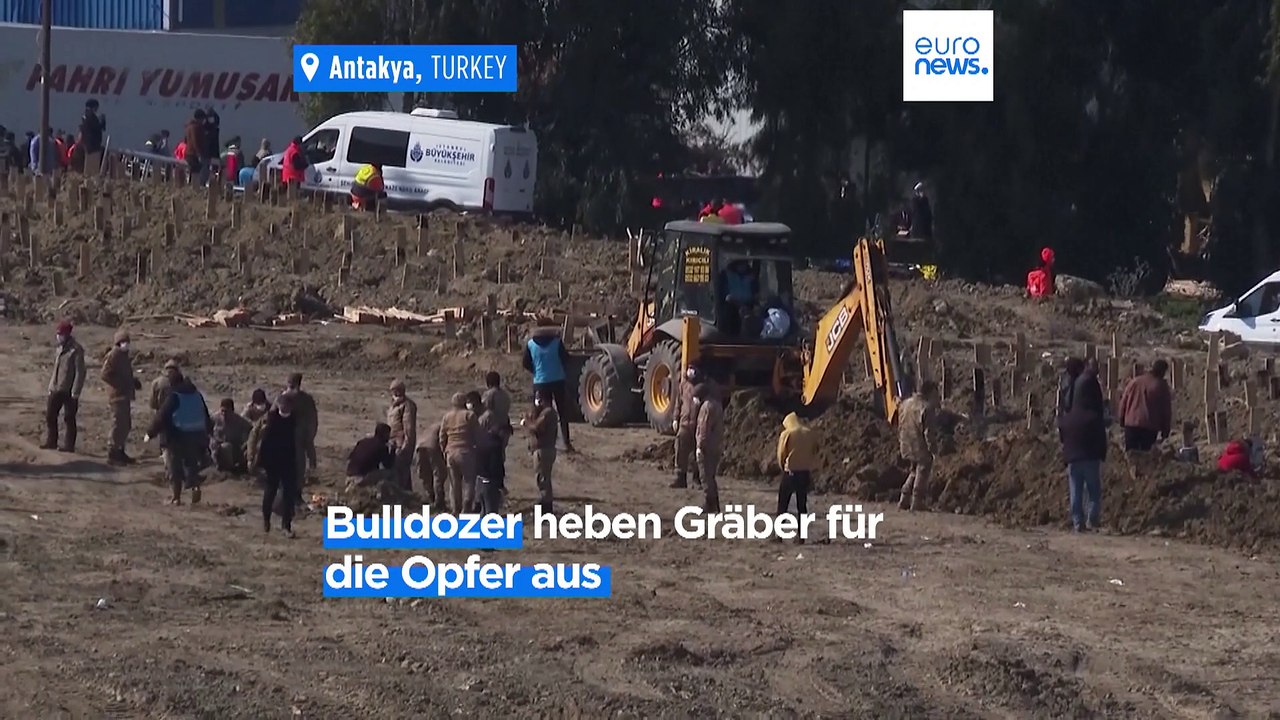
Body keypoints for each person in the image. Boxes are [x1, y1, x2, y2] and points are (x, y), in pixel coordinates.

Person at [145, 364, 213, 505]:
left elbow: (162, 416)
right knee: (191, 464)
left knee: (174, 466)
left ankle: (176, 497)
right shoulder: (196, 394)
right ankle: (195, 488)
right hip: (196, 435)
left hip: (177, 436)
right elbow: (205, 414)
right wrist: (208, 432)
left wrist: (150, 433)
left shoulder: (174, 396)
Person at [1057, 357, 1107, 532]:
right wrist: (1102, 452)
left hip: (1072, 458)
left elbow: (1062, 434)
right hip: (1090, 457)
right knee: (1093, 491)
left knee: (1075, 491)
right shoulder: (1093, 417)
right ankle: (1092, 520)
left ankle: (1078, 522)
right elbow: (1101, 436)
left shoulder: (1069, 417)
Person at [522, 325, 575, 453]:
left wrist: (535, 371)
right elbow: (566, 359)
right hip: (558, 381)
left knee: (539, 414)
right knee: (562, 413)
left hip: (540, 383)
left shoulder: (530, 345)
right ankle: (566, 443)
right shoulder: (557, 343)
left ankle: (538, 443)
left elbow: (525, 363)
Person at [256, 392, 299, 537]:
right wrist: (262, 462)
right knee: (270, 492)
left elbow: (298, 442)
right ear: (279, 405)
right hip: (273, 461)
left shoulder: (294, 419)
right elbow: (265, 442)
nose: (285, 407)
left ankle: (286, 526)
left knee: (289, 494)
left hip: (288, 460)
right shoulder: (272, 418)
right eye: (283, 405)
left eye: (288, 405)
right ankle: (266, 520)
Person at [100, 329, 142, 465]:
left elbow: (123, 374)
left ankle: (120, 450)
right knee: (118, 424)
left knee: (125, 424)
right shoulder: (114, 355)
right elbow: (105, 374)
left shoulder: (124, 356)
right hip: (117, 396)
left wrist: (132, 381)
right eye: (123, 342)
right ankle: (113, 453)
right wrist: (120, 384)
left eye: (127, 342)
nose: (126, 344)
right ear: (117, 343)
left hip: (124, 395)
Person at [43, 321, 87, 452]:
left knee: (69, 418)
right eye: (57, 334)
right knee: (50, 415)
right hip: (56, 387)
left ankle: (69, 446)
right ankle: (51, 441)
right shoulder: (59, 348)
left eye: (60, 334)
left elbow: (80, 372)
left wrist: (76, 391)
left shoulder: (76, 350)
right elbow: (56, 369)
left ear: (67, 334)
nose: (58, 336)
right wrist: (51, 386)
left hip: (69, 390)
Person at [897, 380, 940, 511]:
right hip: (918, 444)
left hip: (906, 442)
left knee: (914, 470)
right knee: (923, 468)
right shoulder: (926, 408)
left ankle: (904, 497)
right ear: (930, 393)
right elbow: (929, 432)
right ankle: (917, 500)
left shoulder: (905, 404)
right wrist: (933, 449)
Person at [776, 411, 818, 540]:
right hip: (804, 472)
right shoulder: (809, 432)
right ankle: (802, 535)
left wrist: (783, 466)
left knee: (783, 504)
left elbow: (781, 453)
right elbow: (815, 449)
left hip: (791, 472)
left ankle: (779, 534)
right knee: (802, 505)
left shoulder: (787, 434)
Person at [1117, 360, 1173, 452]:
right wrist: (1165, 432)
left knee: (1131, 456)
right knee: (1145, 459)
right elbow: (1166, 410)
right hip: (1149, 428)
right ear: (1163, 372)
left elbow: (1124, 401)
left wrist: (1121, 420)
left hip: (1131, 425)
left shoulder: (1134, 382)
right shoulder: (1161, 386)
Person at [669, 362, 709, 489]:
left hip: (698, 425)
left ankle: (697, 479)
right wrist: (675, 418)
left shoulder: (703, 387)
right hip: (684, 423)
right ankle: (680, 477)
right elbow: (678, 403)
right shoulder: (683, 386)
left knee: (698, 453)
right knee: (680, 448)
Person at [439, 393, 480, 514]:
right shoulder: (469, 415)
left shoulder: (447, 417)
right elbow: (478, 434)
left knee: (454, 484)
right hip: (466, 451)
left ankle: (455, 509)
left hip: (450, 452)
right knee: (469, 481)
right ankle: (466, 507)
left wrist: (444, 450)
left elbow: (442, 436)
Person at [524, 387, 559, 514]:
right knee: (542, 478)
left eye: (539, 398)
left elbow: (537, 427)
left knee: (543, 478)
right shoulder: (546, 412)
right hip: (544, 449)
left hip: (544, 450)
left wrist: (527, 423)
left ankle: (546, 505)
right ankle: (545, 502)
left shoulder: (548, 413)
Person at [286, 372, 319, 500]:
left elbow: (312, 420)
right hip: (289, 437)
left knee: (299, 467)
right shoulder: (284, 398)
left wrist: (309, 436)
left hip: (299, 436)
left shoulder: (305, 400)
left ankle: (296, 494)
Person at [694, 384, 726, 513]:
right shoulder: (717, 405)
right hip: (716, 445)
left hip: (707, 447)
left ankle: (710, 504)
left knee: (705, 476)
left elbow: (703, 428)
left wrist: (700, 447)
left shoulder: (706, 408)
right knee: (711, 476)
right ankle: (715, 504)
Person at [387, 379, 418, 492]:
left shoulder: (407, 405)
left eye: (398, 390)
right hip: (393, 441)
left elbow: (408, 427)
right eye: (393, 390)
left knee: (402, 470)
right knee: (397, 470)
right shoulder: (393, 405)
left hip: (402, 442)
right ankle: (406, 494)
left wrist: (406, 444)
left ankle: (405, 495)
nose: (395, 392)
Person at [211, 398, 253, 473]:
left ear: (232, 410)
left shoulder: (239, 419)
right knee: (226, 447)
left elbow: (251, 428)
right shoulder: (215, 418)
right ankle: (228, 469)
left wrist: (246, 442)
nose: (224, 413)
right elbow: (208, 430)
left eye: (226, 411)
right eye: (222, 411)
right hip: (219, 447)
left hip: (236, 446)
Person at [722, 259, 757, 337]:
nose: (743, 266)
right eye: (740, 264)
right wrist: (738, 304)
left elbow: (756, 294)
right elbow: (723, 296)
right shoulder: (726, 275)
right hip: (731, 307)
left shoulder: (752, 276)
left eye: (744, 263)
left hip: (749, 307)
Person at [417, 422, 447, 506]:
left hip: (420, 446)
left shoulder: (431, 427)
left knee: (425, 474)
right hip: (433, 446)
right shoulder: (444, 425)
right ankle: (439, 501)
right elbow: (443, 439)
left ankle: (430, 497)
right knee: (438, 474)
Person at [79, 99, 106, 174]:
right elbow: (96, 128)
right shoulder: (90, 117)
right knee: (92, 169)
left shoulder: (86, 116)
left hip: (90, 145)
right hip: (92, 146)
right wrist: (102, 121)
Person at [183, 110, 208, 181]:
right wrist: (199, 154)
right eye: (202, 119)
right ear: (199, 118)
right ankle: (195, 187)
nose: (203, 121)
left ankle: (191, 185)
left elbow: (185, 140)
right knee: (196, 173)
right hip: (194, 155)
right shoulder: (196, 127)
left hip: (188, 153)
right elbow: (195, 141)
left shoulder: (188, 126)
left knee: (191, 172)